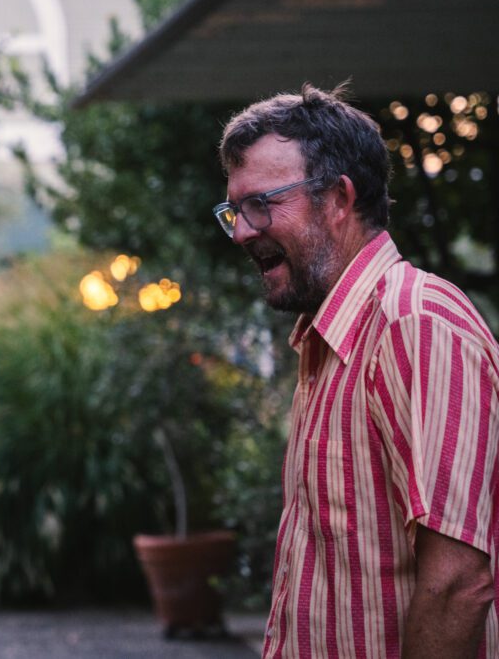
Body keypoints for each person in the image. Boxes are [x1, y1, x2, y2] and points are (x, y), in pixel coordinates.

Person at [213, 84, 499, 658]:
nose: (242, 230)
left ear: (339, 199)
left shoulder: (413, 324)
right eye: (233, 211)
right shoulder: (326, 341)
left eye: (260, 204)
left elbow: (458, 586)